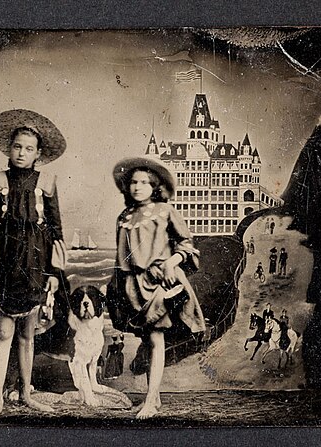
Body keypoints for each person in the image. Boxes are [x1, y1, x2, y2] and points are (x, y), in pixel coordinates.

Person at [0, 109, 69, 417]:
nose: (21, 153)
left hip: (36, 264)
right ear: (8, 149)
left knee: (28, 334)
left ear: (38, 154)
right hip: (4, 265)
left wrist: (54, 273)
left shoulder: (47, 183)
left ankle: (26, 393)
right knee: (2, 333)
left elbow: (56, 229)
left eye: (28, 148)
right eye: (17, 147)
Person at [106, 157, 205, 419]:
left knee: (156, 338)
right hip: (132, 285)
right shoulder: (124, 216)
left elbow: (186, 244)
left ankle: (150, 400)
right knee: (146, 340)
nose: (138, 187)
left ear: (155, 186)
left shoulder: (165, 211)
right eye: (133, 182)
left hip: (159, 281)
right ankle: (156, 399)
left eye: (144, 182)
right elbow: (122, 257)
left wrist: (172, 263)